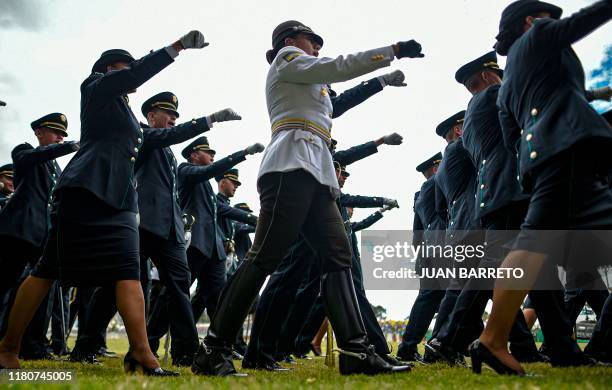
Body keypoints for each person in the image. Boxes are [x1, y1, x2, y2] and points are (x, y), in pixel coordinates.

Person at [192, 19, 424, 376]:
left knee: (337, 255)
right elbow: (337, 67)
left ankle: (357, 352)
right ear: (290, 41)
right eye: (311, 40)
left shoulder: (309, 80)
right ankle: (214, 348)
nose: (317, 47)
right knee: (264, 256)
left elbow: (337, 102)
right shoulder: (287, 59)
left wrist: (379, 82)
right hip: (290, 166)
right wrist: (390, 52)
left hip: (315, 171)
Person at [0, 30, 209, 374]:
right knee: (47, 270)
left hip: (122, 202)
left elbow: (163, 135)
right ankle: (8, 346)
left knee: (129, 274)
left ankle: (142, 354)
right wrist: (176, 48)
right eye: (124, 67)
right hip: (85, 191)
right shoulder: (95, 87)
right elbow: (133, 74)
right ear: (109, 68)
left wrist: (208, 121)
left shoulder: (126, 112)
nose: (131, 74)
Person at [471, 0, 612, 375]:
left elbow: (510, 135)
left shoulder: (509, 80)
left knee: (536, 247)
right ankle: (492, 339)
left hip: (544, 157)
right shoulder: (539, 34)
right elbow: (583, 22)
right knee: (534, 245)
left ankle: (494, 339)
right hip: (570, 150)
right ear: (531, 21)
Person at [425, 52, 542, 366]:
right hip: (501, 195)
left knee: (501, 274)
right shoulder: (493, 97)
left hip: (481, 205)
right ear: (491, 76)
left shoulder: (468, 124)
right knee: (489, 275)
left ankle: (535, 347)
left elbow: (442, 204)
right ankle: (447, 341)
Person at [0, 113, 79, 360]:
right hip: (17, 231)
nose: (60, 137)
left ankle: (33, 344)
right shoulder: (25, 153)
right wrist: (68, 146)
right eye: (55, 132)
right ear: (39, 133)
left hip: (43, 237)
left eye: (63, 135)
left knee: (41, 292)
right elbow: (30, 157)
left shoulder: (56, 168)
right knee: (3, 286)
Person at [178, 136, 260, 326]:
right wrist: (244, 153)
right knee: (176, 293)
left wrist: (258, 220)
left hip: (214, 251)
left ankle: (217, 346)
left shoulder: (207, 188)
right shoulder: (186, 170)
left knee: (218, 299)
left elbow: (228, 211)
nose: (213, 155)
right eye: (208, 152)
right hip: (196, 244)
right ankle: (151, 339)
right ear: (194, 155)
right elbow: (211, 171)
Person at [396, 152, 445, 362]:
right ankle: (435, 346)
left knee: (431, 299)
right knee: (440, 298)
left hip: (428, 251)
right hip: (440, 248)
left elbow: (416, 233)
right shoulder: (435, 185)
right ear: (436, 169)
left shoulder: (421, 193)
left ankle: (410, 347)